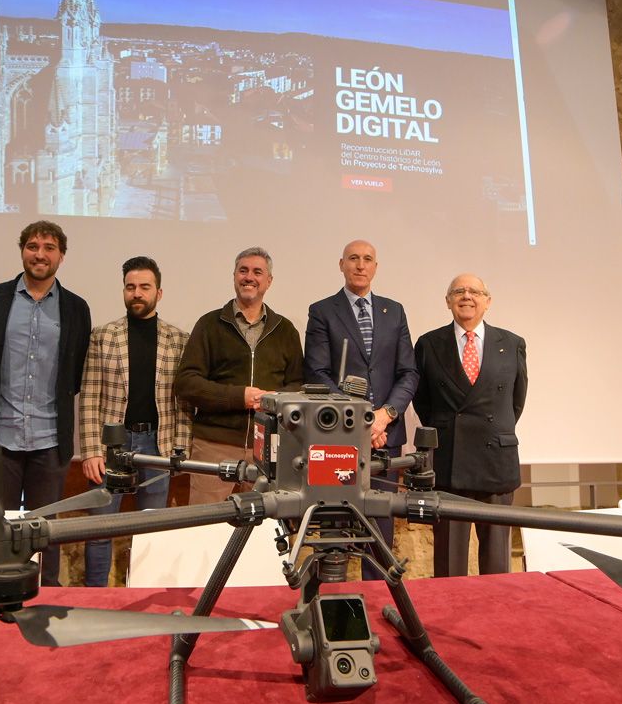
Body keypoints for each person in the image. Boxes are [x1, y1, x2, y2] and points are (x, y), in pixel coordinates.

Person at [0, 220, 91, 586]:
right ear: (22, 251)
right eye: (33, 246)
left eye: (49, 247)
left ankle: (48, 598)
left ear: (61, 256)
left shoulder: (77, 309)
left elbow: (77, 370)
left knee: (44, 534)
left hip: (50, 441)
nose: (40, 254)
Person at [304, 239, 418, 575]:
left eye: (367, 259)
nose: (360, 265)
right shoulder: (322, 310)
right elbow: (317, 373)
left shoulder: (393, 310)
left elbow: (408, 373)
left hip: (386, 438)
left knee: (380, 529)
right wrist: (361, 422)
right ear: (341, 264)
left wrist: (385, 416)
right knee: (335, 527)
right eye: (353, 258)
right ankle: (333, 603)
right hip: (339, 438)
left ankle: (378, 598)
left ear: (376, 267)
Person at [78, 256, 192, 586]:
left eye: (144, 287)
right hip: (111, 447)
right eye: (130, 287)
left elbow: (182, 402)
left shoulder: (178, 340)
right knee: (99, 530)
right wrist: (90, 451)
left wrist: (179, 450)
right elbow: (89, 396)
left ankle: (143, 597)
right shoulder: (103, 336)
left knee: (151, 529)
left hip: (157, 445)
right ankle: (96, 598)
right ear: (124, 291)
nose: (137, 293)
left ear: (159, 292)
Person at [413, 273, 527, 577]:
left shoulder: (512, 343)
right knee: (449, 565)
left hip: (496, 463)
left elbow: (516, 402)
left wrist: (493, 430)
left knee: (497, 564)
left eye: (475, 291)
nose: (467, 296)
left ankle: (495, 621)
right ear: (448, 301)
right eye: (459, 291)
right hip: (450, 463)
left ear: (487, 302)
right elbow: (422, 401)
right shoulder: (429, 344)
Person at [175, 246, 304, 504]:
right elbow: (187, 383)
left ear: (268, 281)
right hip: (214, 445)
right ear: (234, 276)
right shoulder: (209, 325)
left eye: (258, 272)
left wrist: (274, 399)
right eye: (243, 270)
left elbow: (299, 385)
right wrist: (239, 397)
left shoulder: (286, 330)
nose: (249, 277)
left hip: (269, 448)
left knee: (265, 532)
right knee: (204, 527)